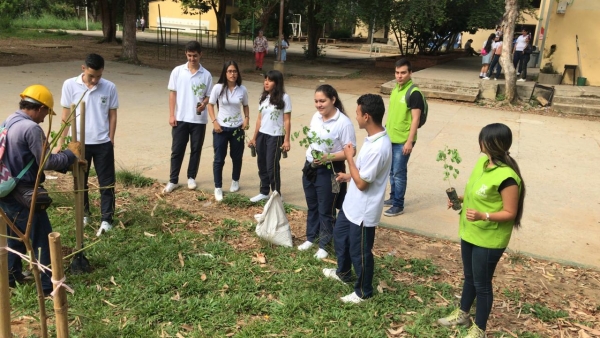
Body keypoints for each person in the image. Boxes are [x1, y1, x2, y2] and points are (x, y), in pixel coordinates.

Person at [437, 123, 526, 338]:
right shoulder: (483, 164)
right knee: (469, 277)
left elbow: (510, 212)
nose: (480, 143)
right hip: (470, 232)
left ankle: (480, 329)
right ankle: (463, 314)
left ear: (493, 143)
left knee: (483, 284)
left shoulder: (507, 177)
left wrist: (482, 215)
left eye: (483, 139)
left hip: (489, 238)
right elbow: (478, 194)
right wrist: (460, 199)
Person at [2, 85, 81, 296]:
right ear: (39, 108)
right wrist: (70, 155)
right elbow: (47, 162)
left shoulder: (10, 120)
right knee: (44, 238)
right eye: (46, 112)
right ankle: (48, 286)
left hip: (6, 191)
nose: (45, 118)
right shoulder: (31, 129)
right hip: (24, 194)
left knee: (15, 235)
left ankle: (11, 276)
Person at [321, 94, 392, 304]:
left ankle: (363, 291)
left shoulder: (379, 148)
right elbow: (363, 174)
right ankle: (342, 273)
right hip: (351, 205)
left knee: (360, 251)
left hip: (363, 211)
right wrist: (348, 175)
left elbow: (363, 183)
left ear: (367, 116)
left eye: (358, 113)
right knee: (341, 238)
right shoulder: (372, 139)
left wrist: (349, 157)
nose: (356, 116)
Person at [59, 53, 119, 237]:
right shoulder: (70, 85)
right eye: (92, 75)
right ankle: (84, 214)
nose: (95, 80)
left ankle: (106, 219)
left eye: (99, 76)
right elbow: (66, 117)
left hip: (102, 143)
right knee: (80, 181)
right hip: (79, 144)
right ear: (83, 68)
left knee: (106, 183)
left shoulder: (109, 87)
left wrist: (110, 138)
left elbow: (112, 115)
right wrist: (61, 143)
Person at [298, 85, 356, 259]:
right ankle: (311, 237)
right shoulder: (316, 117)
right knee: (313, 205)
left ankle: (324, 243)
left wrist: (327, 157)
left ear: (333, 100)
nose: (319, 105)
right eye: (316, 101)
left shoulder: (343, 123)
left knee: (327, 208)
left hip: (330, 170)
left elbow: (350, 152)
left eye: (322, 101)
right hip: (311, 167)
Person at [163, 41, 213, 194]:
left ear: (200, 55)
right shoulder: (178, 71)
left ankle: (191, 176)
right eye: (190, 55)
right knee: (177, 150)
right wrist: (172, 114)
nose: (192, 59)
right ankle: (173, 179)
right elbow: (173, 94)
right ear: (186, 54)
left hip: (198, 119)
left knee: (195, 149)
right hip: (181, 118)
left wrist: (204, 103)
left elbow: (209, 96)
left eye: (195, 56)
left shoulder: (206, 75)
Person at [383, 59, 425, 217]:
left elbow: (416, 119)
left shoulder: (414, 93)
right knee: (391, 171)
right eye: (397, 73)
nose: (399, 76)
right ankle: (393, 198)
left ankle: (398, 205)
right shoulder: (396, 89)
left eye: (403, 73)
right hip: (391, 137)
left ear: (410, 73)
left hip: (403, 141)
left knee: (399, 173)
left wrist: (409, 141)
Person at [207, 61, 250, 202]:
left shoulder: (242, 89)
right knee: (219, 159)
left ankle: (235, 180)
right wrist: (214, 122)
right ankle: (218, 187)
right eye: (230, 71)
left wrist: (246, 119)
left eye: (235, 71)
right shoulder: (218, 88)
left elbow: (245, 105)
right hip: (221, 129)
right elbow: (210, 105)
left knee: (236, 157)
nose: (232, 74)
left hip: (237, 129)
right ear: (225, 73)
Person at [248, 70, 291, 203]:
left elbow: (287, 120)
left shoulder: (284, 98)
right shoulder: (263, 97)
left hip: (276, 136)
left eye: (270, 80)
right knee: (261, 164)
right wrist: (254, 137)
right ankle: (264, 191)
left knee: (271, 166)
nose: (266, 82)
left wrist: (286, 140)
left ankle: (276, 194)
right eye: (265, 79)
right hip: (262, 135)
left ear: (277, 83)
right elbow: (259, 119)